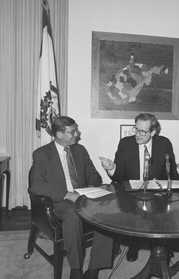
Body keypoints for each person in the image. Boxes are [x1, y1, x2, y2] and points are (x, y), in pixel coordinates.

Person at [100, 113, 179, 262]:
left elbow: (171, 175)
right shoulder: (125, 143)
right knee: (134, 214)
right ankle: (134, 244)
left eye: (143, 131)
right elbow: (118, 177)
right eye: (136, 129)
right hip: (132, 192)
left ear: (153, 132)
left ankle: (162, 246)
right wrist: (111, 168)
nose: (138, 134)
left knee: (163, 214)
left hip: (158, 192)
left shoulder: (164, 144)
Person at [29, 116, 113, 279]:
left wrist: (91, 187)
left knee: (107, 212)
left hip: (82, 196)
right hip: (59, 201)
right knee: (73, 213)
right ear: (59, 134)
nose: (77, 134)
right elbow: (36, 185)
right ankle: (76, 268)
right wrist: (67, 194)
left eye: (76, 130)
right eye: (73, 131)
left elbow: (93, 174)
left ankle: (94, 268)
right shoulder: (42, 154)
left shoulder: (80, 150)